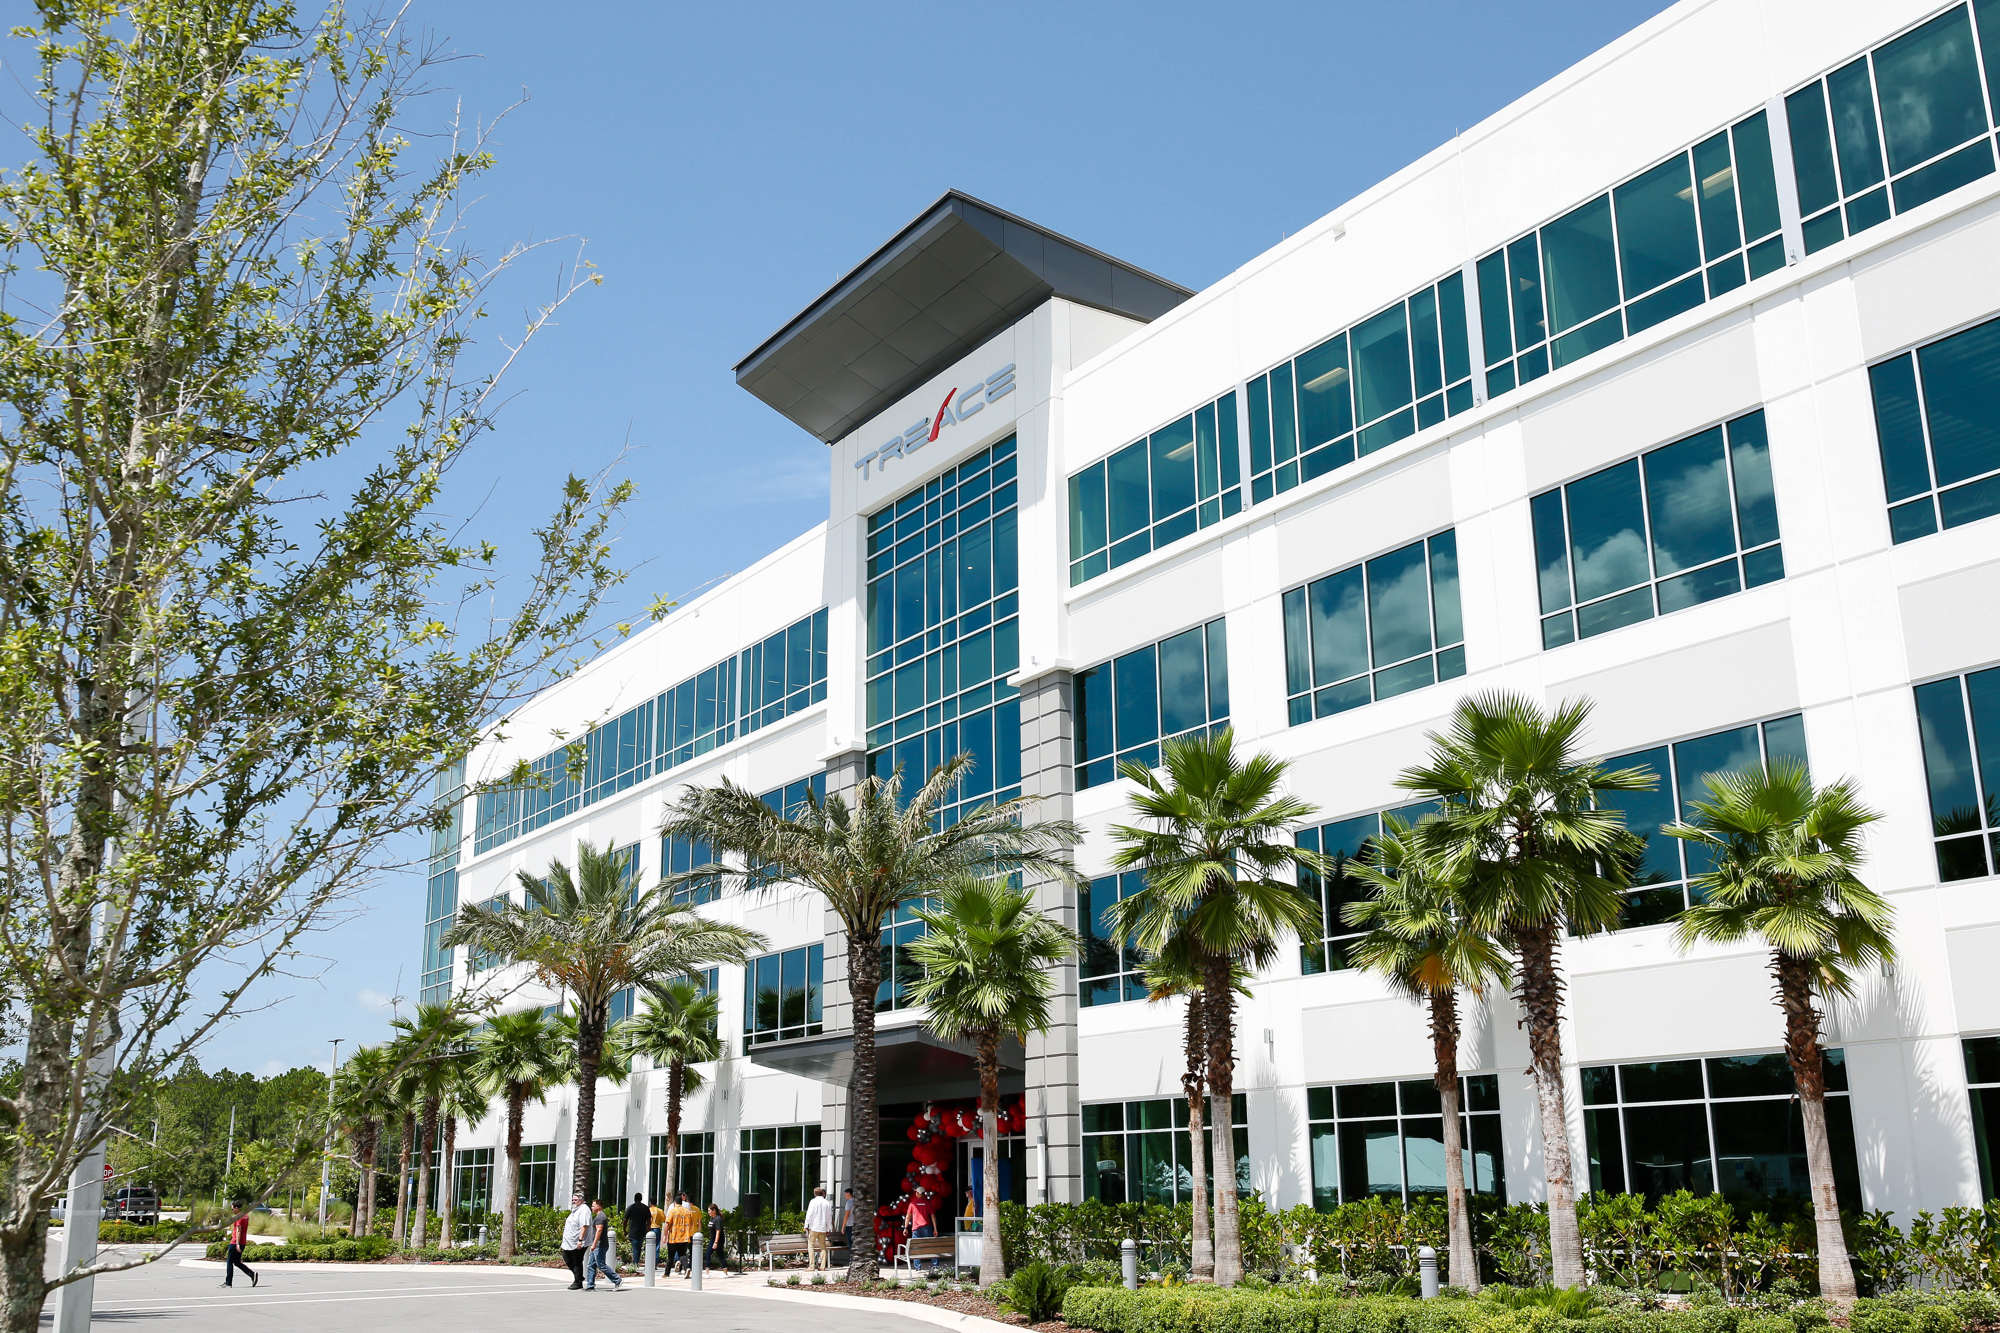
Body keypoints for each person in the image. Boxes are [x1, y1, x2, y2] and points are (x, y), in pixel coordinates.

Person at [585, 1196, 624, 1291]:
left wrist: (594, 1244)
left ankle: (617, 1280)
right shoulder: (599, 1216)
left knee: (601, 1265)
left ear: (599, 1206)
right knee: (591, 1265)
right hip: (598, 1245)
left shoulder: (600, 1217)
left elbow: (599, 1231)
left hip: (599, 1245)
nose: (592, 1207)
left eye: (593, 1205)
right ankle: (590, 1285)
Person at [560, 1191, 592, 1289]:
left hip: (578, 1242)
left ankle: (578, 1282)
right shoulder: (576, 1209)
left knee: (576, 1261)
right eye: (573, 1200)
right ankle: (579, 1277)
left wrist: (580, 1240)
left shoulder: (584, 1210)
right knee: (567, 1257)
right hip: (569, 1242)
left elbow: (584, 1226)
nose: (574, 1201)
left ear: (581, 1200)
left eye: (576, 1199)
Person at [663, 1191, 701, 1274]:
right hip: (684, 1237)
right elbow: (691, 1224)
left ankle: (666, 1273)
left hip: (673, 1237)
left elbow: (667, 1224)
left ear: (675, 1203)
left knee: (670, 1256)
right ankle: (687, 1268)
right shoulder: (688, 1211)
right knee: (682, 1254)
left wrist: (665, 1235)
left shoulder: (673, 1211)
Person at [220, 1204, 258, 1289]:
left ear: (237, 1208)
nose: (232, 1210)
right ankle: (252, 1274)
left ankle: (228, 1283)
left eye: (232, 1208)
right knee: (237, 1262)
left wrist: (237, 1244)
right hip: (243, 1242)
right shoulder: (245, 1216)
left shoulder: (239, 1217)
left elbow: (238, 1231)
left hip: (235, 1243)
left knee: (229, 1262)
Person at [803, 1184, 834, 1271]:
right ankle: (823, 1266)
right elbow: (829, 1217)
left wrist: (806, 1225)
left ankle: (812, 1266)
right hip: (823, 1228)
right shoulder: (827, 1203)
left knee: (811, 1245)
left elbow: (809, 1214)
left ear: (815, 1194)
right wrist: (829, 1228)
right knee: (823, 1247)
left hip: (814, 1227)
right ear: (822, 1193)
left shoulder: (813, 1202)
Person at [624, 1192, 653, 1266]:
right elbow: (649, 1220)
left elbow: (625, 1220)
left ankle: (635, 1263)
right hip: (642, 1231)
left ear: (634, 1199)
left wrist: (624, 1230)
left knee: (635, 1248)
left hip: (633, 1231)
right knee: (638, 1248)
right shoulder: (645, 1208)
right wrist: (648, 1229)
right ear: (641, 1199)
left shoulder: (630, 1207)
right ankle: (635, 1262)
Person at [704, 1203, 727, 1269]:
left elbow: (718, 1231)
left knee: (720, 1255)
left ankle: (725, 1271)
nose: (708, 1212)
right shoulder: (712, 1218)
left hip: (718, 1240)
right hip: (712, 1239)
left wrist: (716, 1242)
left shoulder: (718, 1219)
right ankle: (707, 1272)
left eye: (709, 1210)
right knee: (708, 1254)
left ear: (714, 1210)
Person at [839, 1187, 854, 1255]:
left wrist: (843, 1227)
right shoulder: (855, 1201)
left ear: (849, 1194)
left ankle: (852, 1259)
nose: (845, 1196)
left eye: (845, 1194)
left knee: (850, 1244)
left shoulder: (849, 1202)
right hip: (856, 1225)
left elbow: (846, 1215)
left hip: (849, 1225)